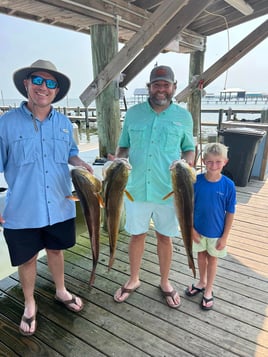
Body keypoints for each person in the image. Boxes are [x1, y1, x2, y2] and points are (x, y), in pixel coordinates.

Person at [0, 59, 93, 336]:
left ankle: (61, 290)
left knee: (56, 251)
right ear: (26, 84)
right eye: (37, 81)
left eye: (50, 83)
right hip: (21, 209)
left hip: (60, 204)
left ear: (56, 91)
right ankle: (29, 304)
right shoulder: (5, 123)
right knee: (26, 259)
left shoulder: (65, 123)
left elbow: (71, 153)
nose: (43, 87)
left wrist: (80, 163)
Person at [112, 65, 195, 308]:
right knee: (137, 235)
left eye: (166, 84)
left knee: (164, 237)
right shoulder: (134, 114)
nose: (161, 89)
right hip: (135, 187)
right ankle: (134, 278)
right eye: (157, 84)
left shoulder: (183, 117)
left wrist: (187, 165)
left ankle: (165, 281)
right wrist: (120, 160)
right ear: (149, 87)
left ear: (174, 87)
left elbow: (189, 148)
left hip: (169, 190)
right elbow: (124, 146)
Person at [185, 142, 236, 310]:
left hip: (216, 233)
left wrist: (225, 236)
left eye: (218, 162)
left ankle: (209, 289)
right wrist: (191, 229)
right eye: (210, 161)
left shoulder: (228, 185)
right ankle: (201, 281)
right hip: (198, 230)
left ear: (225, 162)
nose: (214, 166)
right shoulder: (196, 181)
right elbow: (189, 208)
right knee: (200, 256)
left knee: (212, 259)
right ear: (204, 160)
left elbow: (230, 212)